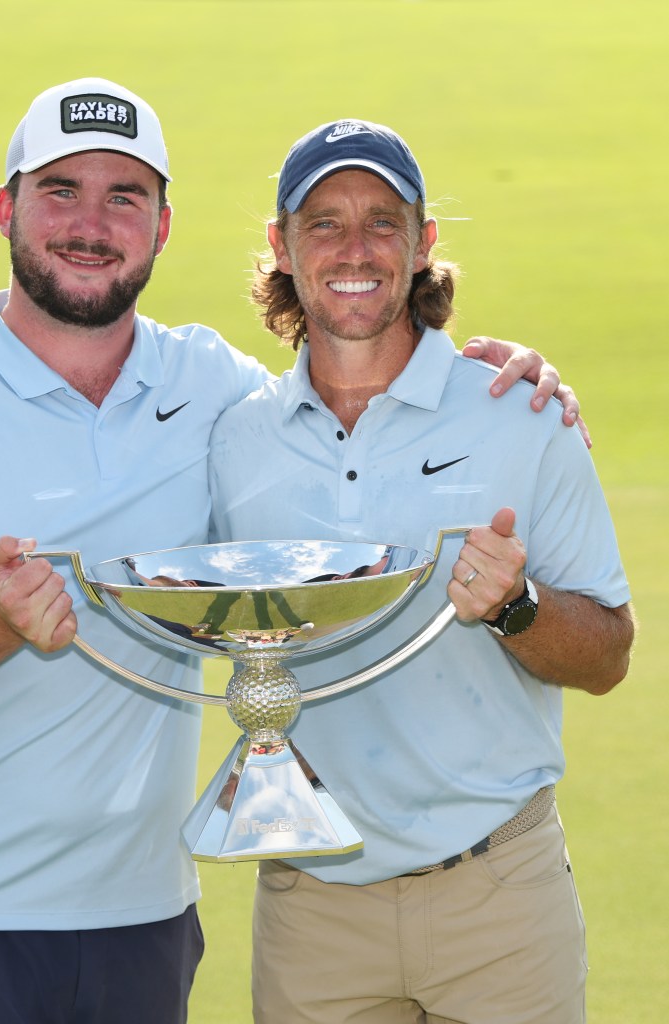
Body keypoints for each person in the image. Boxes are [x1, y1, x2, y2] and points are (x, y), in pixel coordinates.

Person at [0, 75, 586, 1024]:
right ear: (7, 206)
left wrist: (500, 372)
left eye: (123, 197)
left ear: (162, 226)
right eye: (60, 190)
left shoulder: (215, 393)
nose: (90, 224)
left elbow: (347, 384)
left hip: (142, 916)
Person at [207, 120, 636, 1024]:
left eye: (381, 221)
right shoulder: (233, 437)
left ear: (422, 243)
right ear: (281, 247)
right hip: (310, 907)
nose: (353, 250)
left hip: (499, 897)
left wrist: (515, 607)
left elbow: (606, 656)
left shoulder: (518, 416)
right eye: (322, 224)